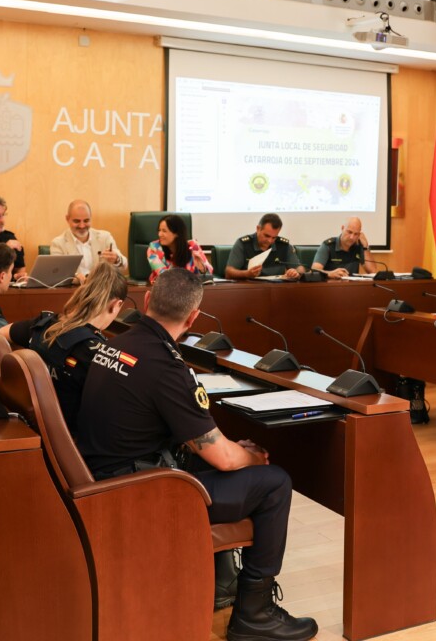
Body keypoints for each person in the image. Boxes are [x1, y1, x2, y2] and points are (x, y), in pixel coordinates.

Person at [75, 268, 317, 641]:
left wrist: (233, 452)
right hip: (139, 494)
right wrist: (251, 456)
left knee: (214, 461)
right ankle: (256, 614)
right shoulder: (167, 367)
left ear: (149, 299)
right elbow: (222, 458)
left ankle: (224, 584)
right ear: (193, 318)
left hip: (105, 478)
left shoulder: (118, 341)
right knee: (274, 483)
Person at [4, 261, 128, 433]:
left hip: (32, 428)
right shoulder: (98, 354)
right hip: (72, 440)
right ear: (116, 305)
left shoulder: (44, 324)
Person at [49, 199, 127, 279]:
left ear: (91, 218)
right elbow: (57, 274)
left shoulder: (105, 237)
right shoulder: (58, 244)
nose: (82, 226)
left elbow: (124, 265)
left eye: (86, 220)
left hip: (103, 288)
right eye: (77, 221)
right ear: (67, 219)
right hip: (75, 290)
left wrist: (117, 259)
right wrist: (75, 277)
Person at [225, 213, 304, 281]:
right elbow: (229, 272)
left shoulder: (283, 245)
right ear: (258, 228)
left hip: (276, 290)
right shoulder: (244, 243)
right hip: (249, 290)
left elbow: (300, 268)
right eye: (267, 236)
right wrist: (247, 274)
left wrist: (296, 272)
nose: (270, 241)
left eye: (274, 237)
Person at [147, 214, 213, 282]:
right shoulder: (154, 248)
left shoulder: (193, 246)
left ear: (177, 233)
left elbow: (208, 273)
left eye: (164, 231)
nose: (160, 234)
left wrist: (201, 268)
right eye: (159, 230)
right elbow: (164, 275)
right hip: (164, 288)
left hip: (191, 288)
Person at [311, 217, 377, 278]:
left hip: (351, 287)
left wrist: (365, 247)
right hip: (330, 287)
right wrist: (330, 273)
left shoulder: (358, 246)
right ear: (342, 228)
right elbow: (314, 271)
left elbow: (372, 271)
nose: (352, 237)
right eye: (349, 232)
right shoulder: (328, 245)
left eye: (356, 234)